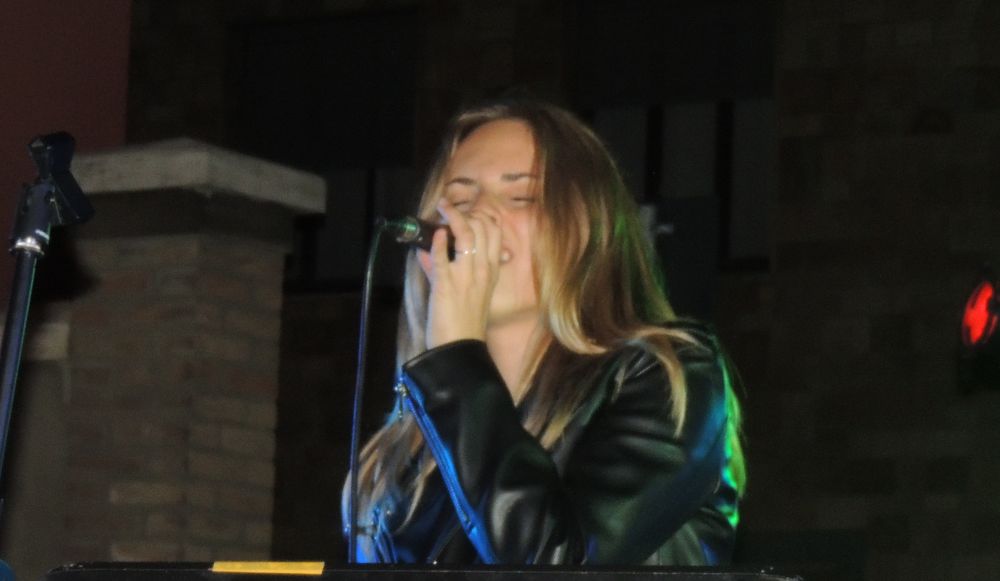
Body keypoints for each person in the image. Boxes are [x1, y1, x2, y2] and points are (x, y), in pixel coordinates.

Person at [343, 98, 746, 566]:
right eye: (459, 199)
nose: (478, 217)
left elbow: (557, 562)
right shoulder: (400, 454)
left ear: (587, 230)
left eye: (521, 198)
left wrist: (454, 358)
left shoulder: (663, 376)